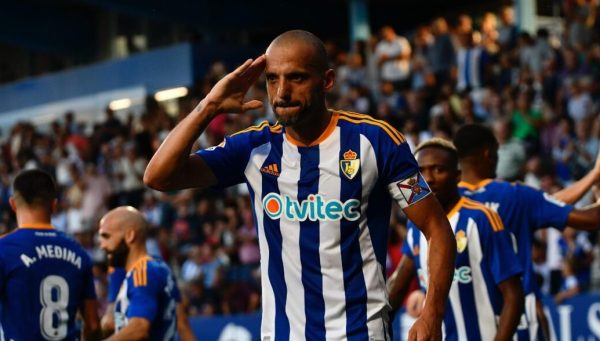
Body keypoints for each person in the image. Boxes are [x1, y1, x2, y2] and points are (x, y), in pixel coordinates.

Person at [144, 29, 456, 340]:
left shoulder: (375, 141)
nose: (281, 93)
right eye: (271, 79)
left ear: (327, 80)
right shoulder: (253, 148)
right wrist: (209, 106)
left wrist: (433, 313)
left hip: (360, 333)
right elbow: (158, 177)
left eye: (296, 78)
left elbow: (436, 227)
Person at [453, 124, 600, 340]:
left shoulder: (445, 204)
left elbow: (547, 204)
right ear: (488, 152)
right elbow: (582, 216)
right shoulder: (514, 195)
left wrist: (592, 177)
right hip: (519, 320)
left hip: (466, 324)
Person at [388, 138, 524, 340]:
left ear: (457, 176)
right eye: (421, 171)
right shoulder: (414, 226)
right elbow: (398, 288)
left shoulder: (481, 219)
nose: (429, 178)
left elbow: (514, 296)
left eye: (438, 170)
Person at [0, 169, 100, 340]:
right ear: (54, 205)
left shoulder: (4, 249)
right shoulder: (79, 252)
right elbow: (92, 325)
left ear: (13, 204)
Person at [98, 206, 178, 340]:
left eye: (106, 236)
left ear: (130, 236)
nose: (102, 245)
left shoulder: (143, 272)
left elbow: (139, 328)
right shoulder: (146, 270)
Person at [101, 266, 197, 341]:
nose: (102, 245)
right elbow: (182, 322)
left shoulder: (119, 269)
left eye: (107, 239)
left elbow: (137, 327)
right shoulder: (161, 266)